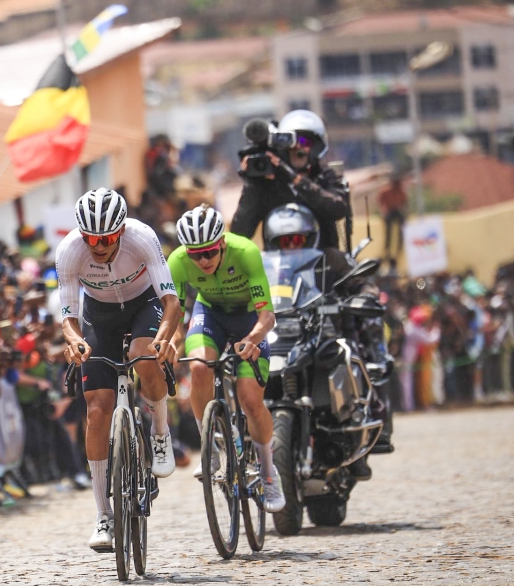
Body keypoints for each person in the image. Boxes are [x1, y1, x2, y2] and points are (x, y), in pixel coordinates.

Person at [56, 188, 182, 552]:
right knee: (96, 409)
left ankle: (160, 435)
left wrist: (163, 338)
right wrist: (76, 342)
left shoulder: (142, 237)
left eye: (107, 238)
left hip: (144, 305)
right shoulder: (69, 251)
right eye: (91, 239)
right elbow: (68, 316)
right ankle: (103, 514)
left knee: (145, 357)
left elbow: (171, 302)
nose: (98, 246)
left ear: (121, 231)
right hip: (100, 315)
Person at [165, 205, 284, 513]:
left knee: (250, 399)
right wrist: (174, 340)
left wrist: (253, 339)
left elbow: (267, 315)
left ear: (222, 244)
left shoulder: (245, 252)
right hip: (211, 316)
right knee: (200, 368)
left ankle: (270, 473)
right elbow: (174, 313)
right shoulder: (177, 261)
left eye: (209, 252)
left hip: (249, 320)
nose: (202, 261)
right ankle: (211, 446)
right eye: (195, 255)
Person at [231, 109, 351, 252]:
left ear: (316, 147)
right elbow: (239, 234)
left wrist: (294, 179)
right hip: (277, 268)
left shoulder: (326, 176)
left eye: (304, 141)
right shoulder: (269, 184)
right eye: (290, 141)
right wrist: (252, 185)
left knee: (345, 267)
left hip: (323, 265)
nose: (297, 146)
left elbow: (338, 209)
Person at [378, 174, 408, 271]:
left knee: (403, 224)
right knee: (388, 229)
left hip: (397, 210)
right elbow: (381, 203)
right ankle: (387, 248)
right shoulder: (386, 191)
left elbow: (404, 203)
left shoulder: (401, 191)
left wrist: (404, 211)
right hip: (389, 211)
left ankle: (400, 245)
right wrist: (384, 211)